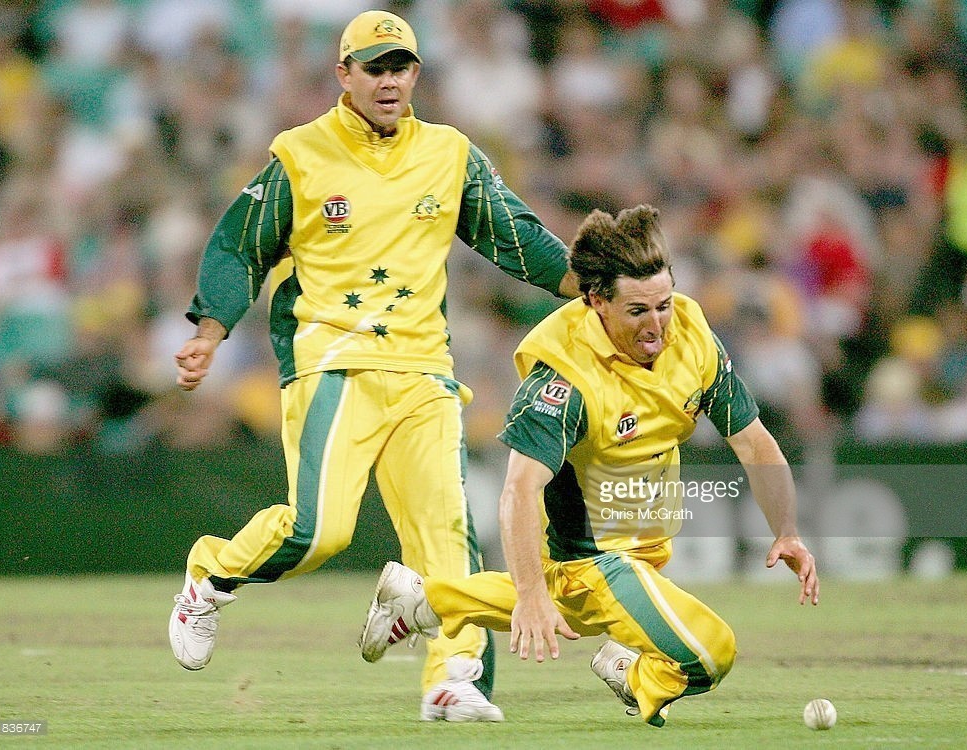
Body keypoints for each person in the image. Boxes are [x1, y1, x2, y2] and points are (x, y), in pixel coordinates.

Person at [168, 10, 576, 723]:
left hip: (423, 370)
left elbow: (519, 239)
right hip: (332, 362)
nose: (389, 82)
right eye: (375, 68)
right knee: (317, 532)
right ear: (344, 75)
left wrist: (599, 288)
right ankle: (210, 574)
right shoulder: (299, 154)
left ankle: (452, 680)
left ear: (416, 73)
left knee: (447, 541)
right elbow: (239, 246)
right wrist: (210, 329)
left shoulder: (450, 154)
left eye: (401, 67)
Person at [359, 205, 819, 726]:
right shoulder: (562, 379)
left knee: (576, 610)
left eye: (663, 305)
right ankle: (631, 674)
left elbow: (755, 444)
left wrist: (786, 530)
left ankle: (418, 601)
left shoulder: (691, 334)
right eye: (638, 312)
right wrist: (530, 594)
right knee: (710, 652)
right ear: (597, 301)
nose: (657, 327)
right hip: (591, 557)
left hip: (644, 543)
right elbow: (518, 490)